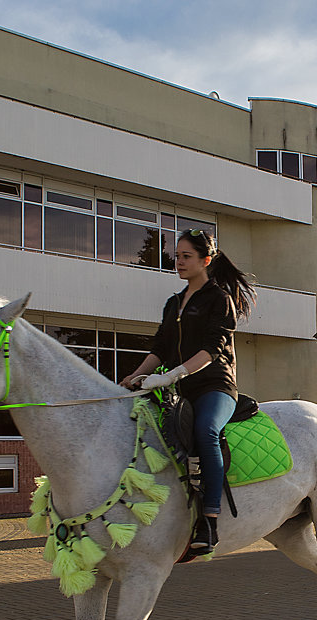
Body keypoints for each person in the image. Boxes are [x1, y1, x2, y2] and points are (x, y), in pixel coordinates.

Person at [120, 229, 256, 554]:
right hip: (179, 388)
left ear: (205, 260)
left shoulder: (220, 299)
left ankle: (209, 520)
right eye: (176, 256)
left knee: (206, 431)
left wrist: (173, 375)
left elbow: (213, 349)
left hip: (216, 386)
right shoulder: (173, 303)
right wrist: (135, 377)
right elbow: (161, 347)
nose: (178, 262)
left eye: (186, 257)